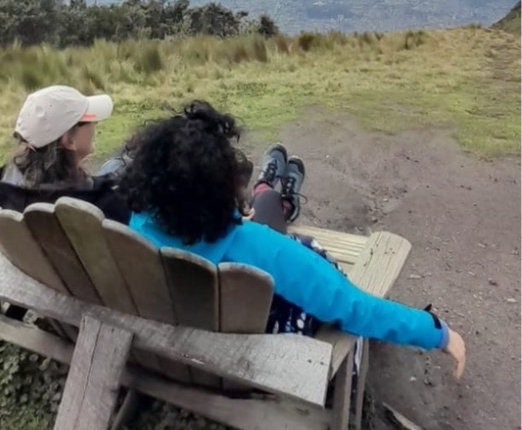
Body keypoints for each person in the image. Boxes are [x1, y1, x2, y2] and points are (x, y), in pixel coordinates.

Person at [119, 101, 466, 376]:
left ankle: (273, 191)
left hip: (186, 339)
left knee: (268, 214)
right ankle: (274, 194)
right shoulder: (259, 250)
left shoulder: (138, 225)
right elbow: (351, 306)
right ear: (217, 188)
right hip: (255, 358)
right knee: (307, 251)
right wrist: (437, 332)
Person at [0, 84, 131, 223]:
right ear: (69, 141)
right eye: (89, 120)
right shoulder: (101, 202)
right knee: (115, 164)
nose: (95, 124)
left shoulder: (11, 185)